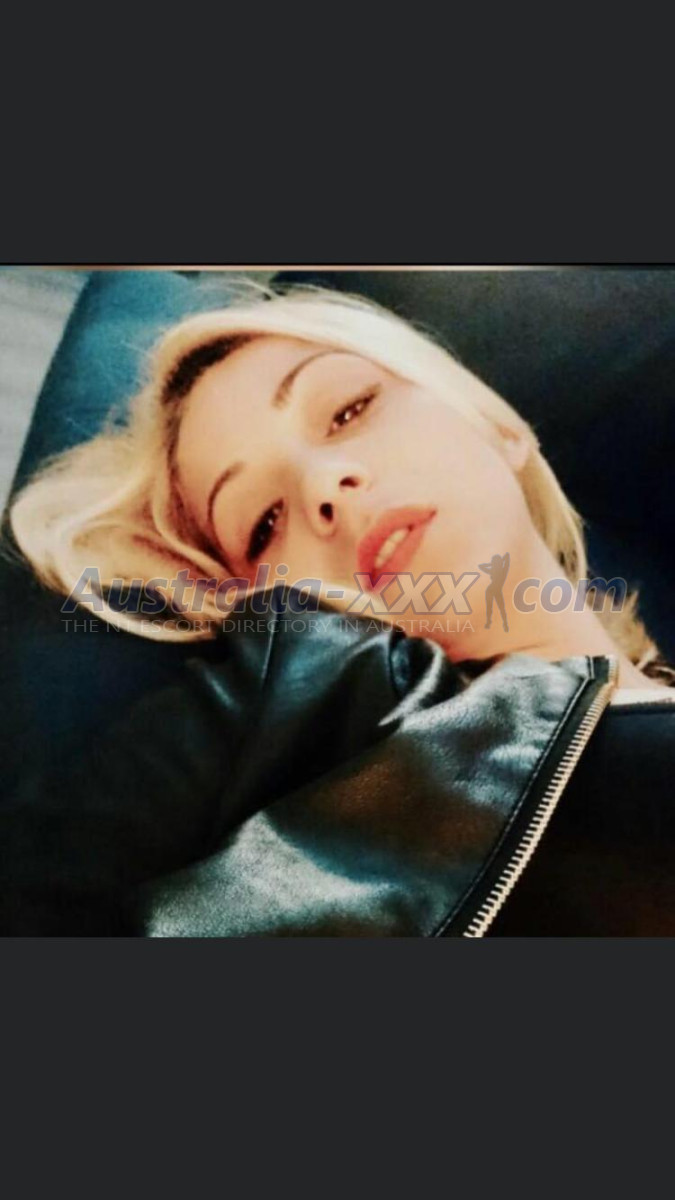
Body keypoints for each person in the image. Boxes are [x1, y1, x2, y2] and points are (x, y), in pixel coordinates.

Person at [4, 286, 675, 937]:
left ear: (498, 427)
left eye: (348, 411)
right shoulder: (312, 712)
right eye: (264, 523)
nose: (323, 483)